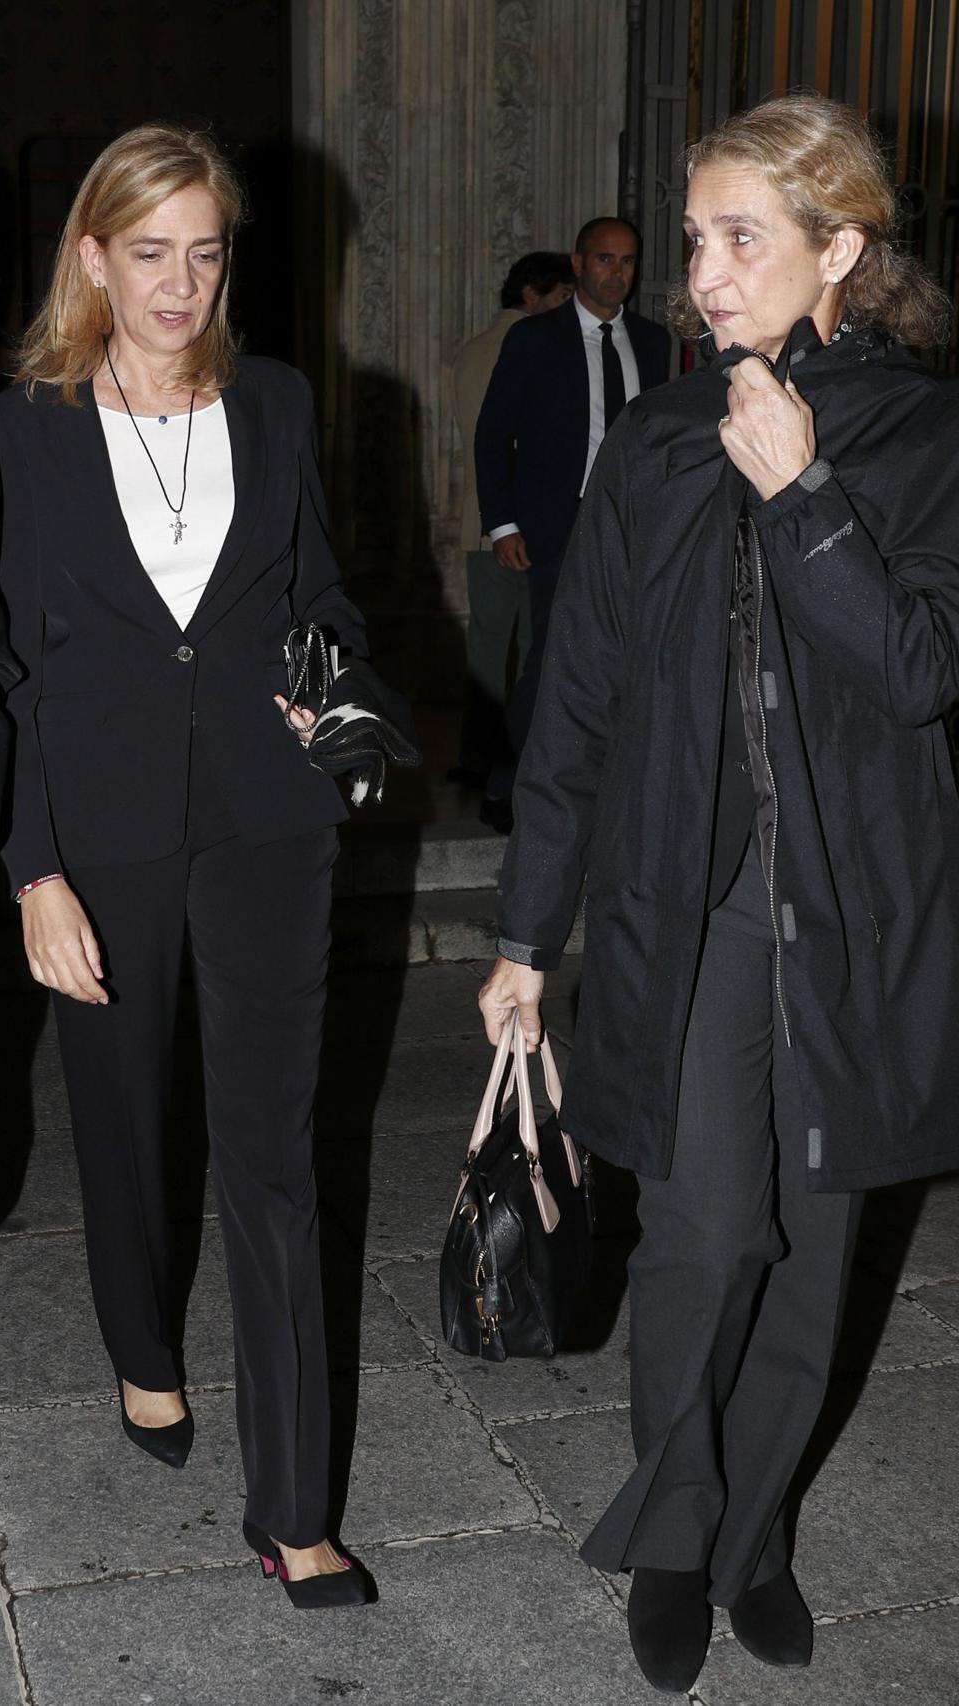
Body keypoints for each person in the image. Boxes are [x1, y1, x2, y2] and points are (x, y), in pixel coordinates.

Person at [479, 93, 959, 1693]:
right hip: (685, 911)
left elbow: (917, 673)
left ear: (842, 250)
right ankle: (678, 1532)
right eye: (695, 239)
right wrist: (522, 935)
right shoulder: (659, 442)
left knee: (814, 1260)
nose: (705, 273)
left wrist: (808, 496)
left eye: (741, 237)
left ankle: (756, 1527)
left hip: (851, 922)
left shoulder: (925, 438)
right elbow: (582, 703)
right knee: (698, 1240)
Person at [0, 124, 375, 1610]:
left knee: (275, 1159)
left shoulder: (275, 404)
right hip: (93, 834)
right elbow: (10, 667)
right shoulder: (25, 424)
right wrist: (31, 867)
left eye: (207, 251)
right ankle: (141, 1347)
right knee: (124, 1122)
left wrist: (329, 695)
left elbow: (322, 597)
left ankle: (293, 1508)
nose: (181, 282)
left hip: (269, 825)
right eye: (149, 251)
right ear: (91, 254)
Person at [474, 216, 671, 829]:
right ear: (578, 263)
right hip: (558, 526)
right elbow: (491, 436)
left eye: (629, 261)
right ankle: (507, 786)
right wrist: (503, 525)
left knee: (628, 660)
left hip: (633, 527)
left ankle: (606, 789)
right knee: (547, 660)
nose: (619, 272)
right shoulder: (536, 339)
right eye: (606, 259)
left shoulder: (654, 341)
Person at [450, 251, 574, 789]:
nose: (569, 309)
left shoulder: (472, 349)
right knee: (530, 646)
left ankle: (478, 755)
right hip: (518, 523)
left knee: (488, 645)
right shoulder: (531, 343)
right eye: (562, 296)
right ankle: (511, 761)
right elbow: (504, 439)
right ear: (532, 294)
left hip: (484, 520)